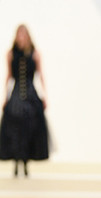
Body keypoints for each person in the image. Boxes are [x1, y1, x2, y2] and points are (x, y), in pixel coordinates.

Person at [0, 24, 49, 177]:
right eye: (19, 34)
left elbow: (40, 75)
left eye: (23, 34)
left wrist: (44, 95)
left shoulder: (35, 54)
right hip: (16, 93)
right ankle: (16, 161)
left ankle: (26, 161)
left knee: (30, 126)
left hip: (30, 93)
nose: (21, 37)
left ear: (28, 36)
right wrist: (5, 96)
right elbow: (9, 76)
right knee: (13, 125)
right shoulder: (10, 54)